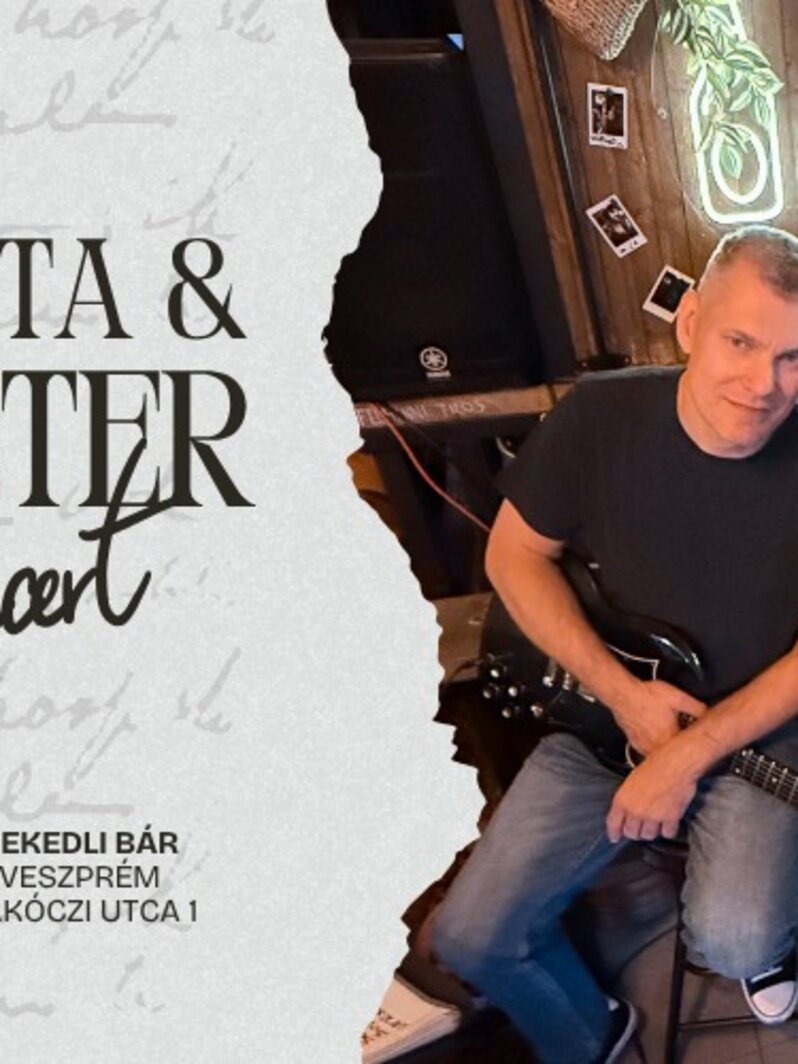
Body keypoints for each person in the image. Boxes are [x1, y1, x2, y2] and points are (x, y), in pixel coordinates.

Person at [431, 225, 798, 1062]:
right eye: (741, 343)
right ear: (691, 322)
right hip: (609, 716)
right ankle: (594, 1036)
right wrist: (623, 696)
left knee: (735, 941)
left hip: (763, 730)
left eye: (793, 359)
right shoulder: (599, 415)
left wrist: (691, 750)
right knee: (472, 936)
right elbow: (514, 555)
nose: (763, 385)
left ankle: (772, 946)